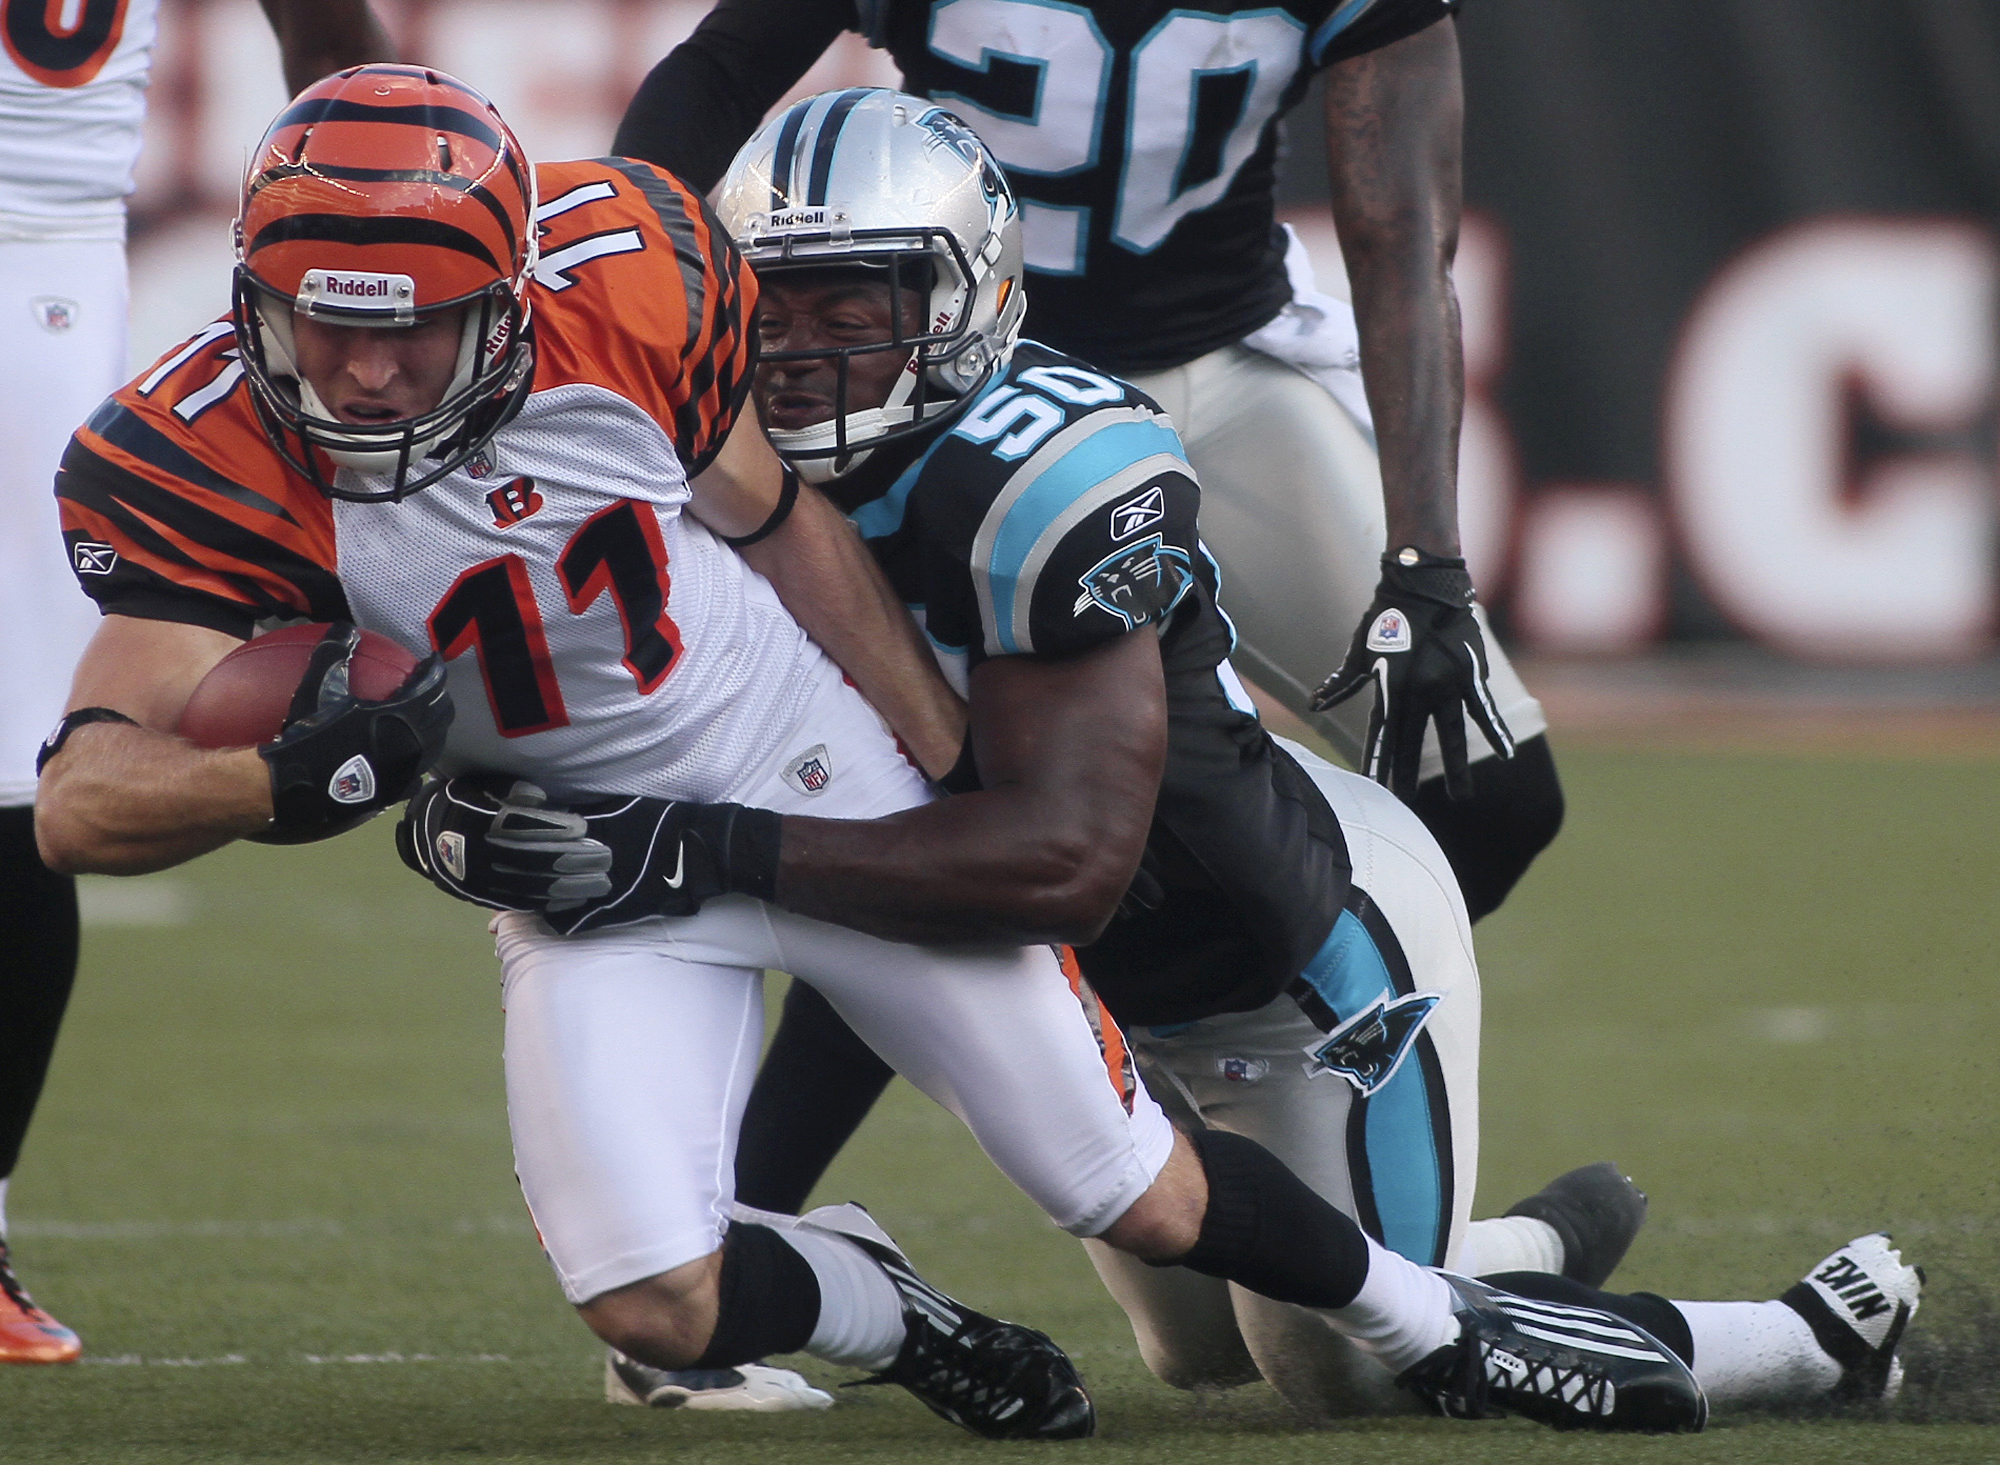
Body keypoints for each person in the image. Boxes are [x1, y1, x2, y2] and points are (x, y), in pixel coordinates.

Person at [36, 67, 1712, 1440]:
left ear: (518, 289)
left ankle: (1445, 1327)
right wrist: (284, 781)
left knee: (1126, 1180)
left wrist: (936, 759)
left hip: (794, 758)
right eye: (325, 327)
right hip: (581, 850)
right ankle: (882, 1305)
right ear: (250, 298)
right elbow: (84, 792)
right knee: (652, 1302)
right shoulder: (188, 456)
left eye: (423, 323)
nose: (372, 370)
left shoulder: (629, 284)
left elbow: (786, 534)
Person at [415, 89, 1920, 1427]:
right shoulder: (681, 474)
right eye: (778, 305)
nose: (802, 353)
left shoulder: (1049, 477)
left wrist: (698, 853)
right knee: (1203, 1360)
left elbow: (1059, 860)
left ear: (962, 297)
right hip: (1055, 971)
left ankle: (1793, 1340)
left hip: (1288, 953)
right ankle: (1495, 1252)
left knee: (1348, 1366)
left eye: (854, 303)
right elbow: (865, 886)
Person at [611, 0, 1563, 919]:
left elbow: (1400, 234)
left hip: (1212, 371)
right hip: (948, 403)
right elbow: (717, 75)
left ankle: (1252, 1023)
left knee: (1492, 790)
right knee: (962, 792)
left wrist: (1425, 557)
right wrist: (622, 305)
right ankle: (1034, 1047)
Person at [0, 0, 392, 1367]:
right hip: (38, 267)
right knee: (14, 776)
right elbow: (331, 32)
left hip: (35, 245)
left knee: (21, 783)